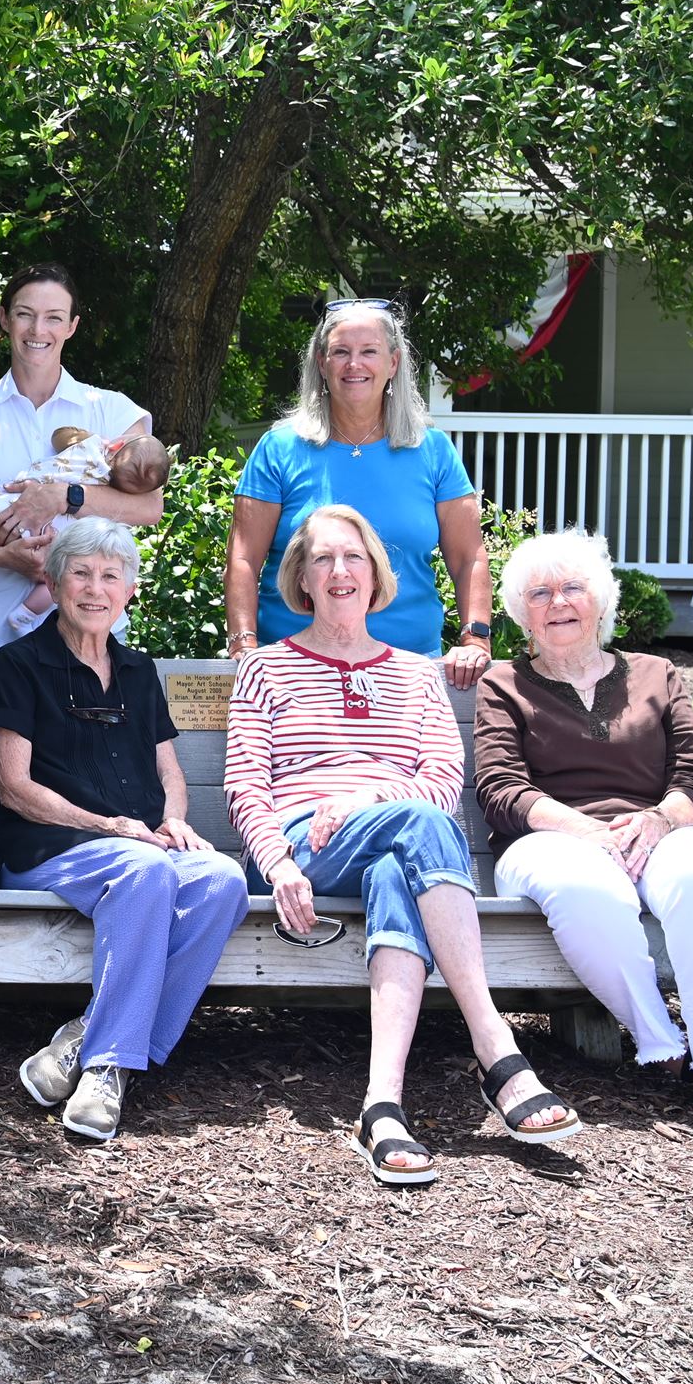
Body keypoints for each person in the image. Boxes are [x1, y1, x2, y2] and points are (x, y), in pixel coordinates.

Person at [224, 504, 583, 1185]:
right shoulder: (264, 670)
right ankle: (497, 1048)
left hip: (394, 838)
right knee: (420, 828)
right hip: (306, 846)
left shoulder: (417, 674)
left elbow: (443, 782)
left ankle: (380, 1107)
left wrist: (365, 800)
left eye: (353, 557)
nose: (339, 571)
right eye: (323, 558)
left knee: (399, 867)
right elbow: (246, 786)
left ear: (375, 574)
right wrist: (277, 866)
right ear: (301, 577)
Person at [474, 531, 693, 1138]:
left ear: (600, 600)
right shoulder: (504, 683)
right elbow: (501, 791)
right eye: (540, 593)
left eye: (573, 587)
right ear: (522, 612)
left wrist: (656, 821)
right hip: (549, 838)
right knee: (587, 888)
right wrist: (588, 832)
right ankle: (664, 1045)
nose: (558, 602)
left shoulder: (657, 673)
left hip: (654, 830)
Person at [0, 518, 247, 1140]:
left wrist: (173, 820)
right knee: (145, 868)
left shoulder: (137, 671)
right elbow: (15, 788)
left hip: (137, 849)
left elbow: (169, 771)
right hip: (45, 848)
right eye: (80, 573)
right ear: (53, 580)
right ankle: (109, 1067)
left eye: (111, 576)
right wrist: (110, 827)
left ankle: (84, 1037)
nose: (95, 588)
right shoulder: (19, 665)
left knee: (222, 879)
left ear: (129, 591)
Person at [225, 299, 495, 688]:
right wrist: (244, 643)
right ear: (322, 364)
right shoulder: (279, 448)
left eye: (369, 351)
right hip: (290, 672)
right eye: (340, 352)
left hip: (410, 670)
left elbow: (469, 557)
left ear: (394, 363)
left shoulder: (433, 450)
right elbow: (243, 558)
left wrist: (475, 637)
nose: (355, 365)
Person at [0, 265, 162, 656]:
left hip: (92, 630)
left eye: (54, 317)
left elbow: (150, 506)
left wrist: (64, 496)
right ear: (5, 318)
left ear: (72, 326)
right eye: (25, 314)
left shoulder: (114, 413)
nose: (38, 330)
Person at [0, 430, 172, 646]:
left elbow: (152, 508)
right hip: (45, 544)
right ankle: (25, 614)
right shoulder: (109, 483)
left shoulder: (92, 446)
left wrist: (63, 495)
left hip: (5, 512)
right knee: (62, 570)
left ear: (116, 446)